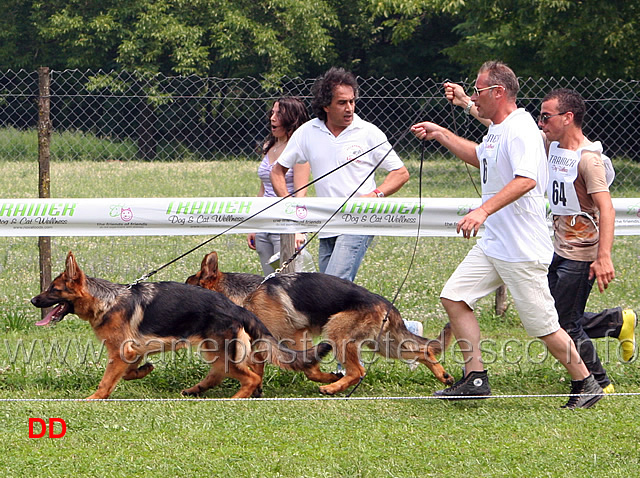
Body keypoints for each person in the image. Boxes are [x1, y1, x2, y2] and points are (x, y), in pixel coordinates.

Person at [410, 60, 603, 409]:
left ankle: (586, 382)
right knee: (454, 296)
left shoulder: (522, 128)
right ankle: (476, 378)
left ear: (498, 92)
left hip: (521, 248)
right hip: (495, 243)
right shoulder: (497, 129)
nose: (474, 96)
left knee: (544, 326)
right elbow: (479, 156)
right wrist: (442, 133)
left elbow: (526, 178)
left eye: (479, 91)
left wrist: (482, 210)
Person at [444, 83, 637, 369]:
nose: (540, 122)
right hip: (556, 245)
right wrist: (465, 104)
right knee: (555, 315)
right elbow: (503, 127)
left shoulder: (589, 160)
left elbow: (607, 208)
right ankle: (616, 323)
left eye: (546, 117)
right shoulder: (549, 144)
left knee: (561, 321)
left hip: (581, 251)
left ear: (568, 117)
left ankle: (596, 381)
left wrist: (603, 256)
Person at [270, 67, 423, 338]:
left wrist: (375, 196)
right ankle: (406, 329)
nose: (350, 108)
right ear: (326, 105)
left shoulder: (369, 132)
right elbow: (277, 171)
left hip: (360, 221)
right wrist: (289, 206)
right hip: (326, 225)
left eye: (352, 101)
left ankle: (347, 368)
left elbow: (400, 173)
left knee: (333, 294)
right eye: (342, 102)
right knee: (326, 296)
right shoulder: (307, 132)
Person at [247, 97, 311, 275]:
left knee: (289, 279)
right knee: (270, 281)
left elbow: (301, 194)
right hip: (264, 220)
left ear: (292, 118)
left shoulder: (299, 150)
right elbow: (263, 189)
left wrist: (298, 231)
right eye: (272, 113)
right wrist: (253, 224)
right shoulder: (269, 146)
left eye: (279, 114)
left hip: (285, 223)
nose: (272, 118)